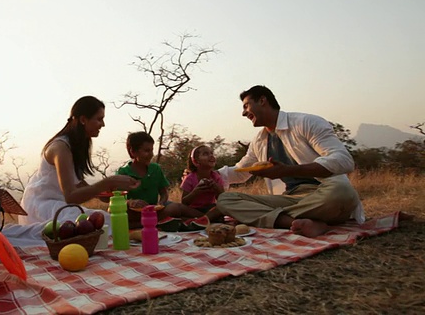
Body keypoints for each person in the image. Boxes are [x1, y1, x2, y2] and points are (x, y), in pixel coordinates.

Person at [216, 85, 364, 238]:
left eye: (246, 106)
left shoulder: (306, 122)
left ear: (262, 100)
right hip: (288, 199)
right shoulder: (259, 142)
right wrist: (204, 173)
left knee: (343, 191)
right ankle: (301, 223)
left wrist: (288, 170)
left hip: (323, 194)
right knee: (226, 199)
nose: (243, 113)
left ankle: (275, 217)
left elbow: (343, 160)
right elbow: (240, 171)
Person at [18, 95, 140, 227]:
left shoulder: (76, 145)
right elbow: (71, 196)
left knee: (112, 219)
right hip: (42, 207)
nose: (103, 124)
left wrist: (109, 195)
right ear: (83, 119)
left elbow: (80, 184)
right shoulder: (60, 147)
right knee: (105, 222)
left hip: (59, 206)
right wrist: (109, 182)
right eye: (99, 119)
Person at [116, 131, 207, 230]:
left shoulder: (155, 169)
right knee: (118, 214)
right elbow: (117, 199)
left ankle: (208, 218)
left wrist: (162, 202)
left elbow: (163, 193)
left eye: (151, 150)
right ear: (133, 152)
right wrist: (130, 202)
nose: (151, 154)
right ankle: (153, 223)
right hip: (135, 214)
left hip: (154, 211)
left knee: (176, 207)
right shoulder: (123, 172)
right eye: (146, 151)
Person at [180, 144, 225, 222]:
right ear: (196, 161)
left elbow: (222, 198)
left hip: (210, 208)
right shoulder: (190, 178)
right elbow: (184, 202)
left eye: (212, 153)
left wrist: (216, 188)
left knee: (223, 207)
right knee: (177, 207)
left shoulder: (216, 177)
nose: (211, 156)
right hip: (193, 210)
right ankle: (206, 220)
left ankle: (198, 221)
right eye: (205, 154)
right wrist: (196, 192)